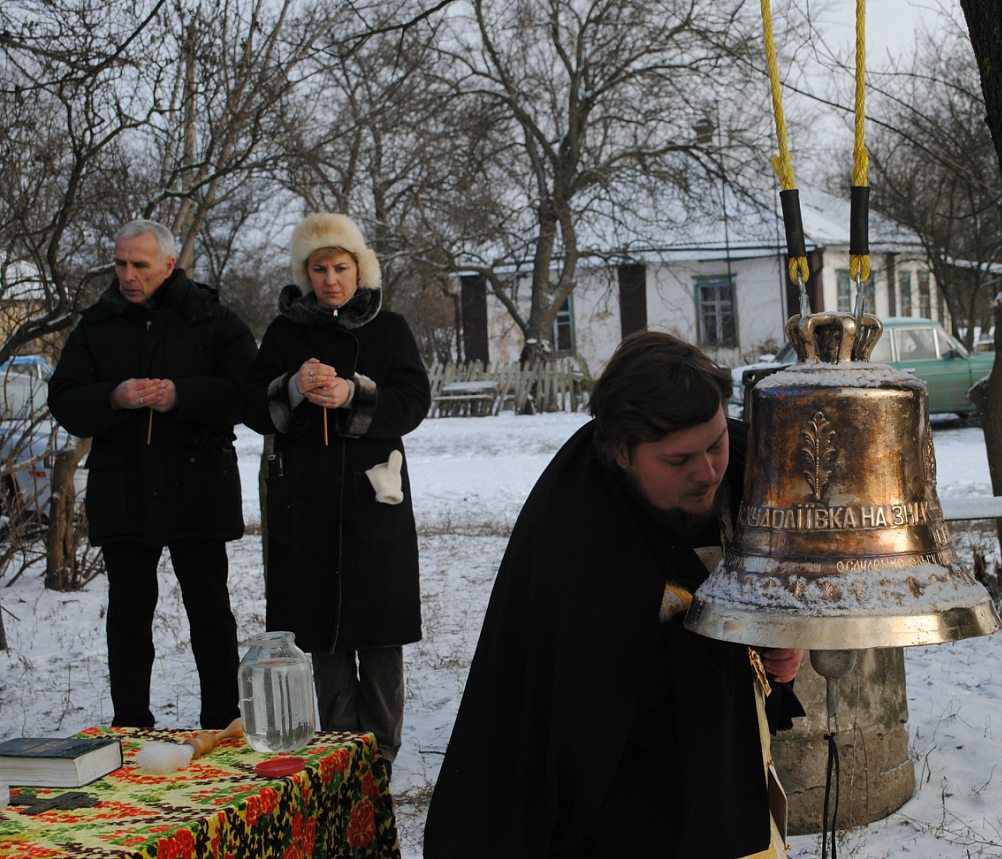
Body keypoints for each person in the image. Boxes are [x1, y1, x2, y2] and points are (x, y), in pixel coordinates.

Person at [423, 331, 804, 858]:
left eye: (715, 443)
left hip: (729, 761)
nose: (708, 471)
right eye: (679, 460)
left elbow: (783, 573)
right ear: (622, 451)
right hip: (621, 794)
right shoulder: (575, 534)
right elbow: (562, 715)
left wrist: (782, 636)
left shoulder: (744, 465)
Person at [49, 219, 255, 729]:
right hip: (125, 487)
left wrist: (183, 395)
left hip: (197, 482)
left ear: (168, 264)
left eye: (138, 264)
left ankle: (222, 722)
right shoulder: (97, 324)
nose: (127, 275)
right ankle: (131, 723)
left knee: (210, 610)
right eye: (119, 263)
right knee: (127, 615)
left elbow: (250, 391)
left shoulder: (211, 318)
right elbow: (65, 399)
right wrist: (112, 397)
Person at [242, 212, 430, 769]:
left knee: (379, 631)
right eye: (319, 269)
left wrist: (354, 393)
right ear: (307, 274)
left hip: (376, 499)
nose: (331, 279)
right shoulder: (283, 334)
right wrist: (293, 389)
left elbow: (413, 402)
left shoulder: (389, 329)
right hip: (306, 502)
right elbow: (254, 406)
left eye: (340, 267)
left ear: (359, 269)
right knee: (320, 632)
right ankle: (339, 751)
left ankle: (382, 752)